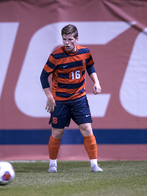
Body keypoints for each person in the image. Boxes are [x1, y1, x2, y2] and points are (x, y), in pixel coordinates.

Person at [40, 24, 103, 173]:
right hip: (60, 100)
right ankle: (52, 164)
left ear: (76, 39)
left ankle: (94, 165)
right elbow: (43, 76)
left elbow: (90, 67)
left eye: (69, 39)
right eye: (64, 39)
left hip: (79, 99)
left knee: (87, 128)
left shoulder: (85, 52)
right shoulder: (55, 56)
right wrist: (49, 96)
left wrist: (96, 82)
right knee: (57, 133)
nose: (66, 43)